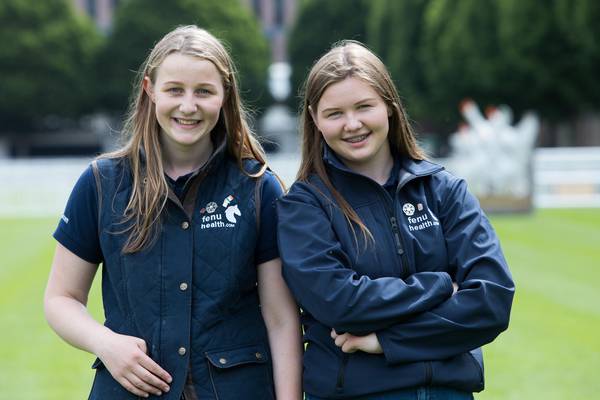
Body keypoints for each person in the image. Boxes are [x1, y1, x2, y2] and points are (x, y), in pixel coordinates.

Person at [44, 25, 302, 400]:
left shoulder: (259, 188)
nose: (188, 106)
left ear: (225, 95)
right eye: (175, 90)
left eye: (204, 91)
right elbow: (60, 299)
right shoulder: (101, 184)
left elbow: (280, 320)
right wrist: (106, 344)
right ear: (150, 91)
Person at [276, 41, 515, 400]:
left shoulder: (443, 190)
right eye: (335, 113)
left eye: (364, 107)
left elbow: (491, 300)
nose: (352, 124)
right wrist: (438, 285)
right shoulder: (305, 206)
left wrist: (386, 341)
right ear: (314, 118)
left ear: (388, 104)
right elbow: (340, 303)